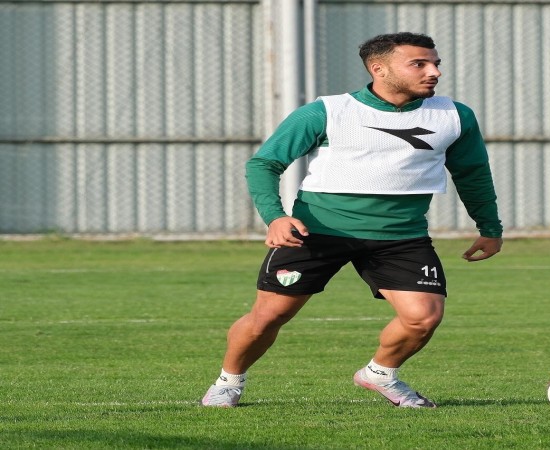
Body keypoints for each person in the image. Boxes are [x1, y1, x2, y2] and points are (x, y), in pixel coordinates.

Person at [201, 32, 503, 408]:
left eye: (435, 63)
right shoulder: (327, 112)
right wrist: (275, 217)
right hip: (316, 233)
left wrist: (490, 228)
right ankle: (228, 382)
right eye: (419, 64)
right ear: (379, 68)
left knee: (423, 318)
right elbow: (264, 163)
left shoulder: (454, 116)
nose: (434, 72)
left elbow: (473, 174)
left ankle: (380, 374)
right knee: (268, 317)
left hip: (401, 236)